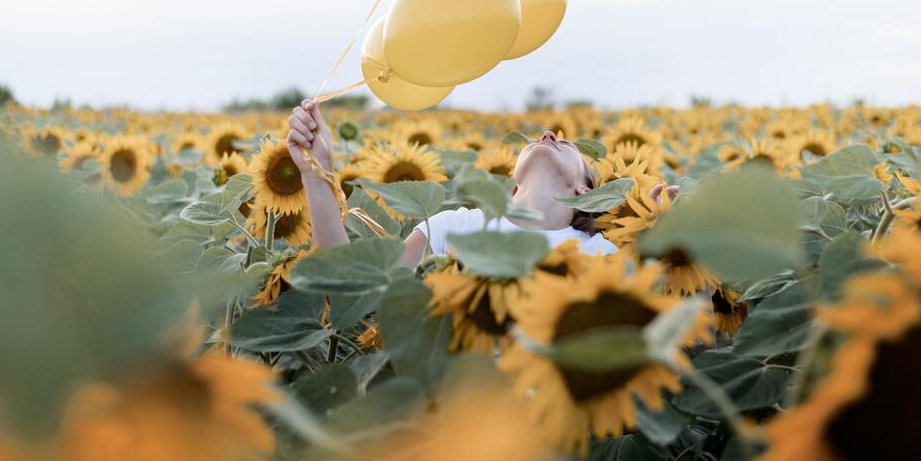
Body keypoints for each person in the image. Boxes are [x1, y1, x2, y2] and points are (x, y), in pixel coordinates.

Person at [286, 98, 674, 268]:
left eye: (567, 144)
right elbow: (347, 285)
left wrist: (673, 249)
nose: (549, 134)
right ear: (511, 186)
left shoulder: (602, 255)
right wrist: (316, 174)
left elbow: (689, 351)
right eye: (539, 139)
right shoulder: (457, 226)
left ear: (584, 192)